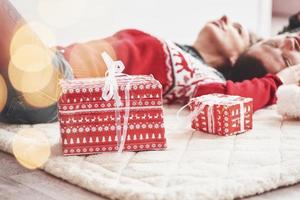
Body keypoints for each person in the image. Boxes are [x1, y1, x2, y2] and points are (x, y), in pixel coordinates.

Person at [0, 0, 298, 124]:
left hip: (53, 86)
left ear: (234, 57)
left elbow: (221, 100)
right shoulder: (179, 52)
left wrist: (281, 79)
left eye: (238, 29)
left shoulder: (202, 75)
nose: (225, 18)